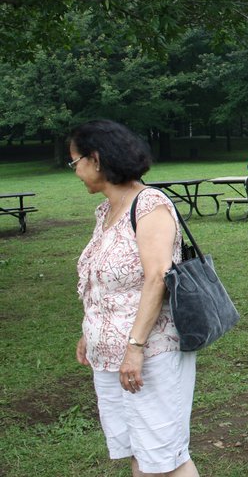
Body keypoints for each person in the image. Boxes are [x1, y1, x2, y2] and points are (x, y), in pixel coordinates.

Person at [70, 120, 199, 477]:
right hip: (110, 357)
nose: (75, 171)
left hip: (150, 353)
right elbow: (104, 282)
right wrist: (90, 332)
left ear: (96, 159)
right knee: (139, 454)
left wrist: (135, 346)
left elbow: (157, 277)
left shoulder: (149, 205)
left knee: (166, 459)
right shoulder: (106, 211)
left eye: (75, 162)